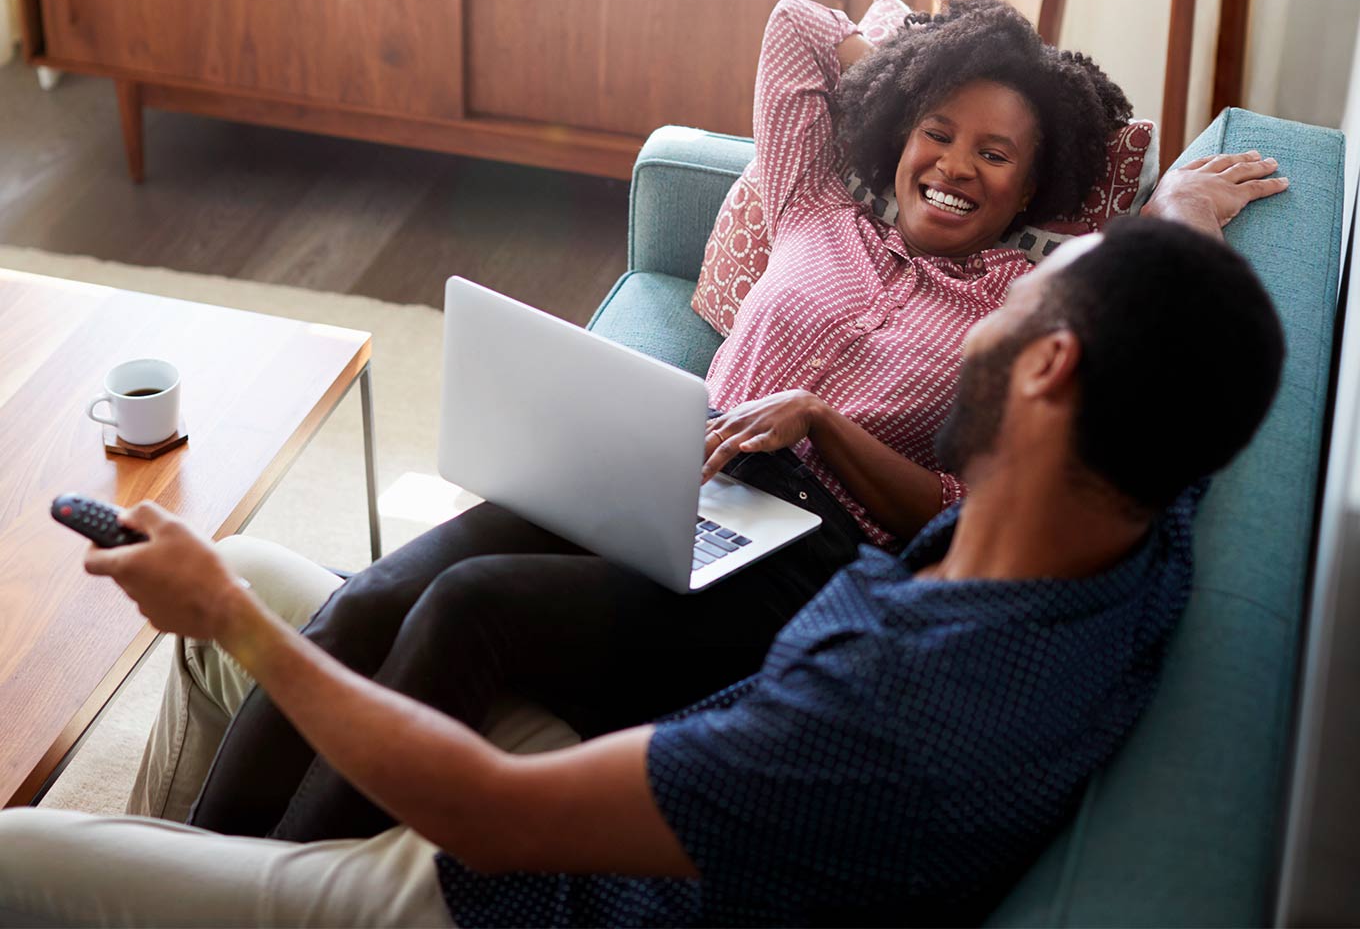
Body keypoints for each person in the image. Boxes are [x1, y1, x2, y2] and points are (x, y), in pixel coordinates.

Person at [162, 0, 1292, 844]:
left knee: (466, 606)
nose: (955, 165)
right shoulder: (816, 202)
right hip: (667, 470)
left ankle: (286, 886)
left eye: (996, 155)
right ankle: (208, 860)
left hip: (802, 552)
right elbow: (797, 26)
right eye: (938, 132)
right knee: (374, 593)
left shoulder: (1021, 308)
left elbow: (962, 503)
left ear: (1032, 190)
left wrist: (823, 423)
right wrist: (920, 67)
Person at [0, 218, 1286, 928]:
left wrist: (231, 618)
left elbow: (493, 813)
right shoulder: (1133, 516)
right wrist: (1168, 229)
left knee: (31, 838)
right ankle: (181, 862)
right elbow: (1175, 353)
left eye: (1016, 304)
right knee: (249, 569)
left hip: (509, 896)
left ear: (1052, 368)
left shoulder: (892, 709)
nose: (978, 329)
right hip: (631, 808)